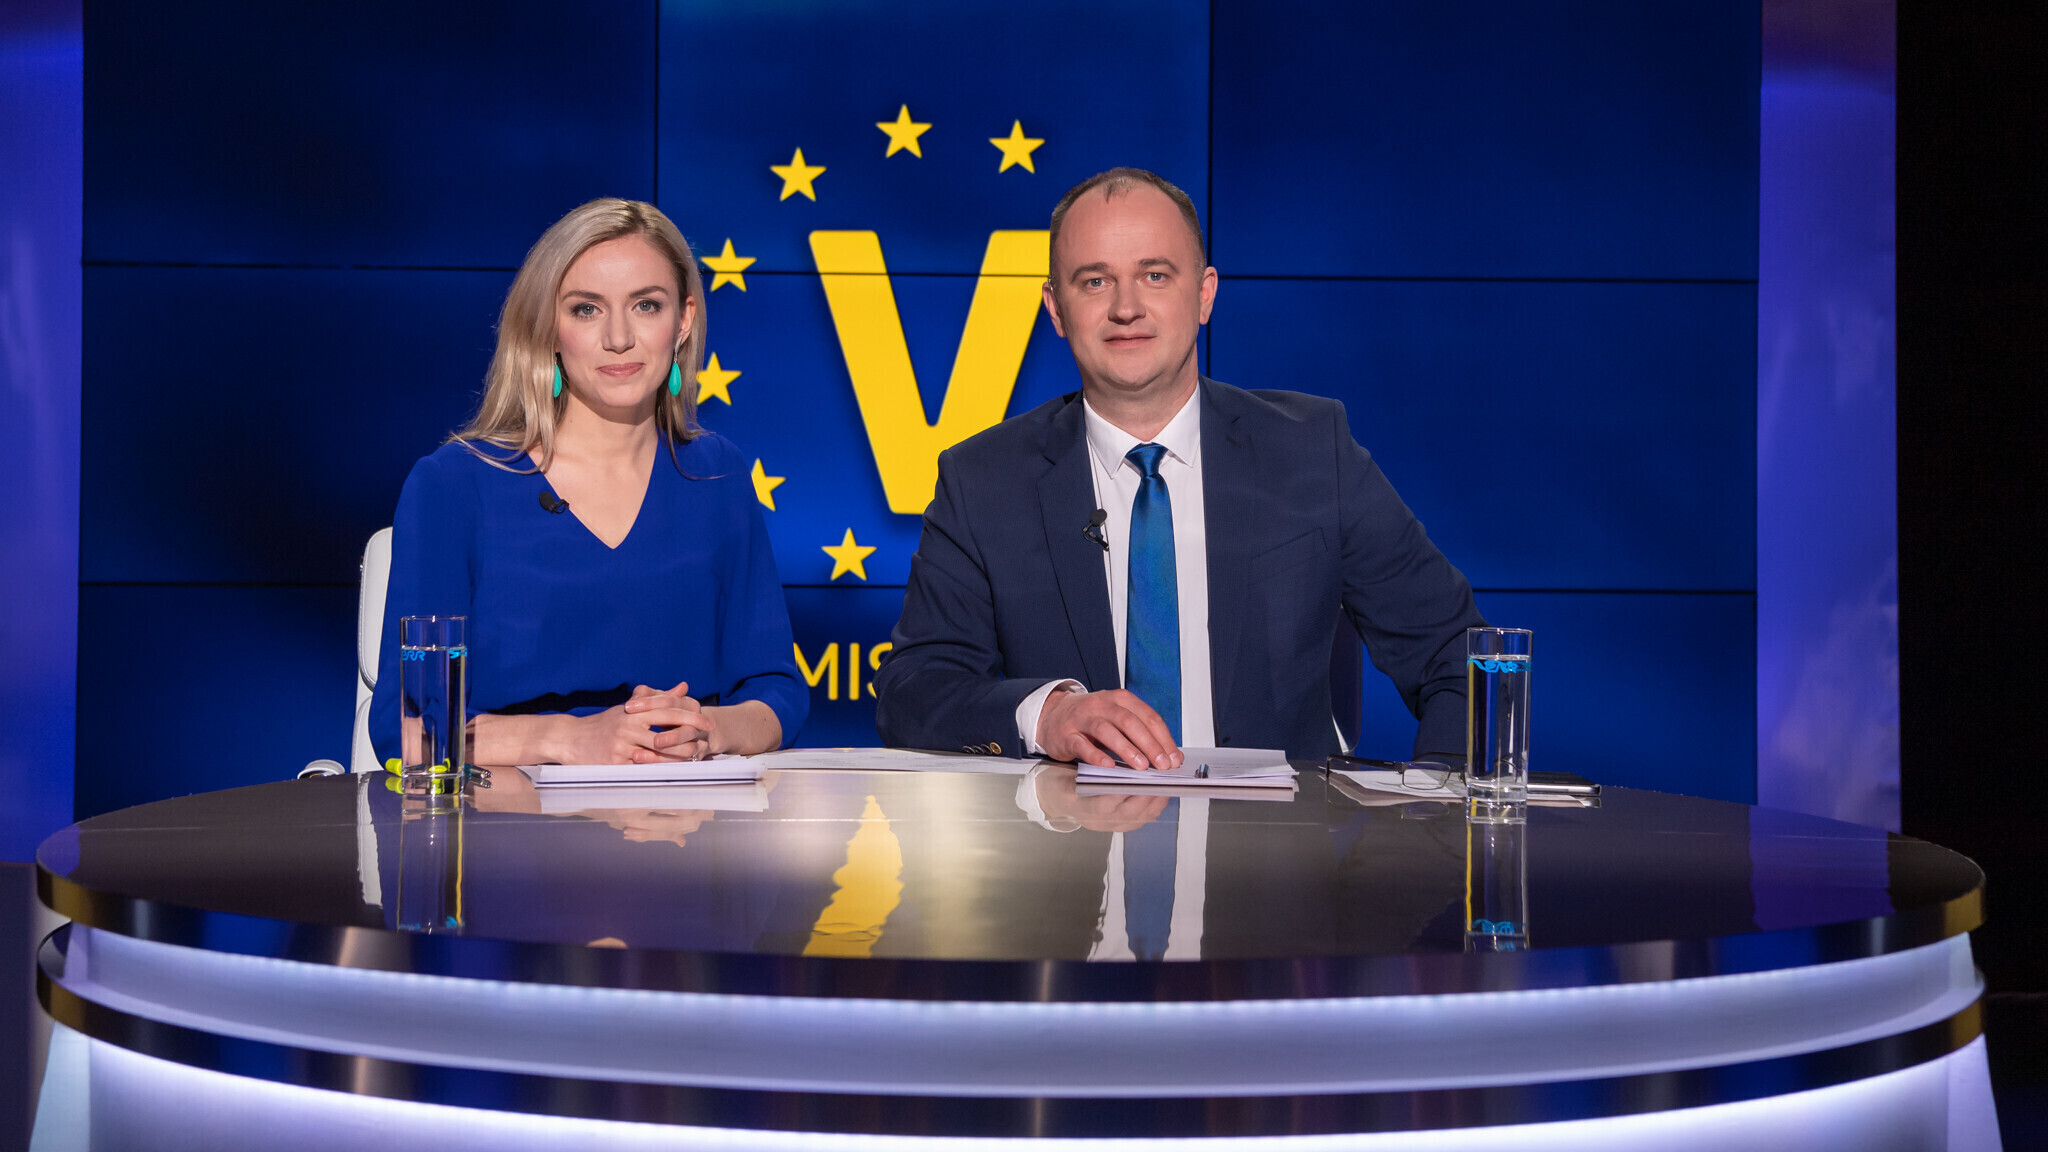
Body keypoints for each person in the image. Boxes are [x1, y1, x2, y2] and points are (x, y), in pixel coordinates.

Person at [874, 169, 1484, 768]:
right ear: (1056, 309)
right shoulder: (983, 482)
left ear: (1204, 294)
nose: (1126, 308)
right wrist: (1048, 714)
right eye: (1094, 281)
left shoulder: (1312, 453)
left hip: (1283, 835)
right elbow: (913, 692)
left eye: (1155, 275)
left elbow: (1463, 659)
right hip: (1064, 835)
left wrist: (1434, 805)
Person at [370, 198, 805, 767]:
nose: (619, 337)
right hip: (508, 815)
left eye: (646, 305)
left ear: (683, 321)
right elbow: (406, 732)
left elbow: (777, 692)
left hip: (682, 812)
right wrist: (570, 739)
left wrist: (706, 728)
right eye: (586, 309)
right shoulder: (453, 485)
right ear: (548, 328)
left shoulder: (716, 473)